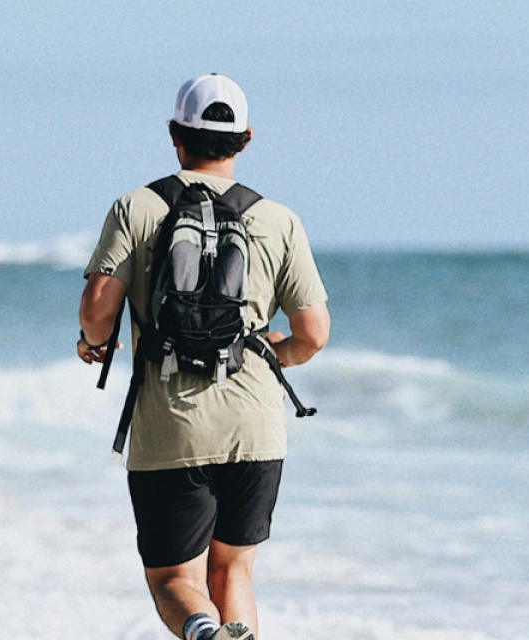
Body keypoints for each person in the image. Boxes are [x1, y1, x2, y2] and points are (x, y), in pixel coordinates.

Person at [77, 73, 329, 640]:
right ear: (246, 139)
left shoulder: (135, 207)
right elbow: (313, 333)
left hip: (172, 428)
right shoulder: (278, 219)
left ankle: (199, 629)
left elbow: (97, 307)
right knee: (234, 572)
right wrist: (274, 357)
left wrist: (94, 342)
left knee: (173, 580)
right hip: (255, 426)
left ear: (175, 134)